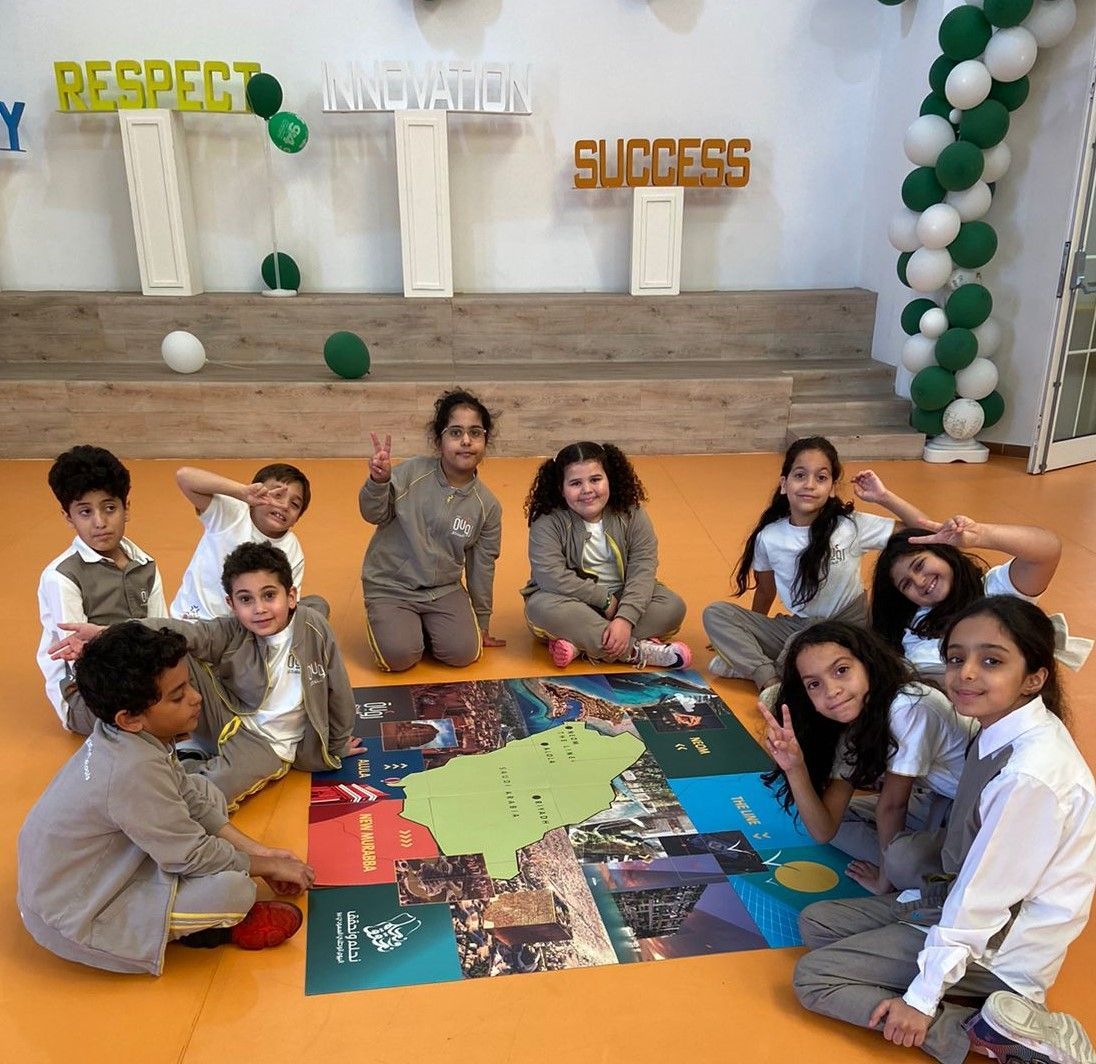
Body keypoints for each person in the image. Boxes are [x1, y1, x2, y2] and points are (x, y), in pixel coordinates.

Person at [792, 597, 1095, 1064]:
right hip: (959, 901)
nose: (966, 673)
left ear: (1034, 678)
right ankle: (952, 986)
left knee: (815, 977)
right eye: (957, 658)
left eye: (990, 660)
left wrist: (920, 1001)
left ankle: (990, 1031)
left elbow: (982, 902)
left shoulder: (1027, 777)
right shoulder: (1001, 728)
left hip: (1003, 949)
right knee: (817, 923)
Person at [18, 622, 314, 975]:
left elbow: (192, 797)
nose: (196, 697)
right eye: (177, 696)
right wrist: (266, 867)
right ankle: (207, 933)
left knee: (205, 792)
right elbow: (190, 855)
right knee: (235, 891)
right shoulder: (131, 771)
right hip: (77, 917)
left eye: (188, 684)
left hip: (92, 869)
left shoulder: (130, 735)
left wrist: (262, 853)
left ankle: (188, 900)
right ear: (129, 719)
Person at [51, 542, 358, 810]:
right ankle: (172, 743)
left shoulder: (315, 629)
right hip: (224, 713)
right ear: (231, 604)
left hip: (266, 743)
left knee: (209, 796)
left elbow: (339, 689)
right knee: (175, 650)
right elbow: (183, 631)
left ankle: (188, 760)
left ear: (291, 597)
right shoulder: (230, 629)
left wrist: (337, 743)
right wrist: (108, 632)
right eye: (246, 599)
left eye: (269, 596)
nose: (260, 609)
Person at [759, 622, 973, 894]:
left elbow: (893, 806)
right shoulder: (852, 727)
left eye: (842, 670)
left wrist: (885, 880)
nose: (832, 690)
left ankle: (923, 872)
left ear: (868, 664)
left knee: (904, 858)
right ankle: (912, 858)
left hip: (977, 814)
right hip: (939, 800)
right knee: (844, 823)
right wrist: (795, 767)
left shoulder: (909, 705)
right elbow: (824, 830)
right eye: (814, 684)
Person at [703, 437, 894, 692]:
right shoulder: (769, 536)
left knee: (802, 647)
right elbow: (765, 591)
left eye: (821, 478)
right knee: (715, 613)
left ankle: (761, 675)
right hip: (799, 625)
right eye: (800, 475)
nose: (810, 485)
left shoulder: (849, 525)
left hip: (846, 629)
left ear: (833, 488)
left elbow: (919, 530)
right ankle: (769, 677)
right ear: (784, 484)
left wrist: (883, 497)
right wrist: (749, 636)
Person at [856, 469, 1062, 682]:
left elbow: (1047, 551)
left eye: (920, 565)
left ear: (943, 553)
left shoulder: (995, 591)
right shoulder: (914, 625)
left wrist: (981, 535)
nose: (919, 581)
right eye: (906, 584)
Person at [359, 388, 504, 671]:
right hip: (392, 587)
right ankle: (399, 625)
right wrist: (378, 482)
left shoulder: (487, 506)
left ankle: (422, 626)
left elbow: (482, 566)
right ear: (439, 440)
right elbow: (372, 513)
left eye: (475, 432)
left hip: (443, 590)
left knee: (464, 653)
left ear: (485, 440)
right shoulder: (411, 473)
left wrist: (482, 621)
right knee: (399, 657)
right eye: (455, 432)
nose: (466, 441)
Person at [520, 441, 689, 670]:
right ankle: (637, 651)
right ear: (561, 488)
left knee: (672, 606)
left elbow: (643, 567)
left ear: (609, 478)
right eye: (575, 483)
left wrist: (625, 618)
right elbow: (550, 576)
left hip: (622, 597)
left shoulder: (632, 513)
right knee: (539, 608)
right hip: (570, 600)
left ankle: (581, 644)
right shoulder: (547, 521)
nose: (587, 490)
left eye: (595, 480)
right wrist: (605, 600)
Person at [36, 444, 167, 734]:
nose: (100, 523)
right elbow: (80, 660)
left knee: (201, 687)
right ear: (68, 517)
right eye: (85, 512)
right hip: (87, 692)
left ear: (126, 508)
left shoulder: (145, 564)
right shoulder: (62, 576)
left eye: (110, 508)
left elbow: (163, 631)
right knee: (164, 715)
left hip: (141, 674)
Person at [170, 462, 318, 621]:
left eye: (294, 504)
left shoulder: (292, 548)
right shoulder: (231, 512)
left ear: (297, 519)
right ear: (256, 491)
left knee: (317, 606)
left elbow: (287, 603)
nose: (284, 505)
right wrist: (240, 492)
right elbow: (184, 476)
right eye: (276, 495)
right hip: (194, 619)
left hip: (245, 629)